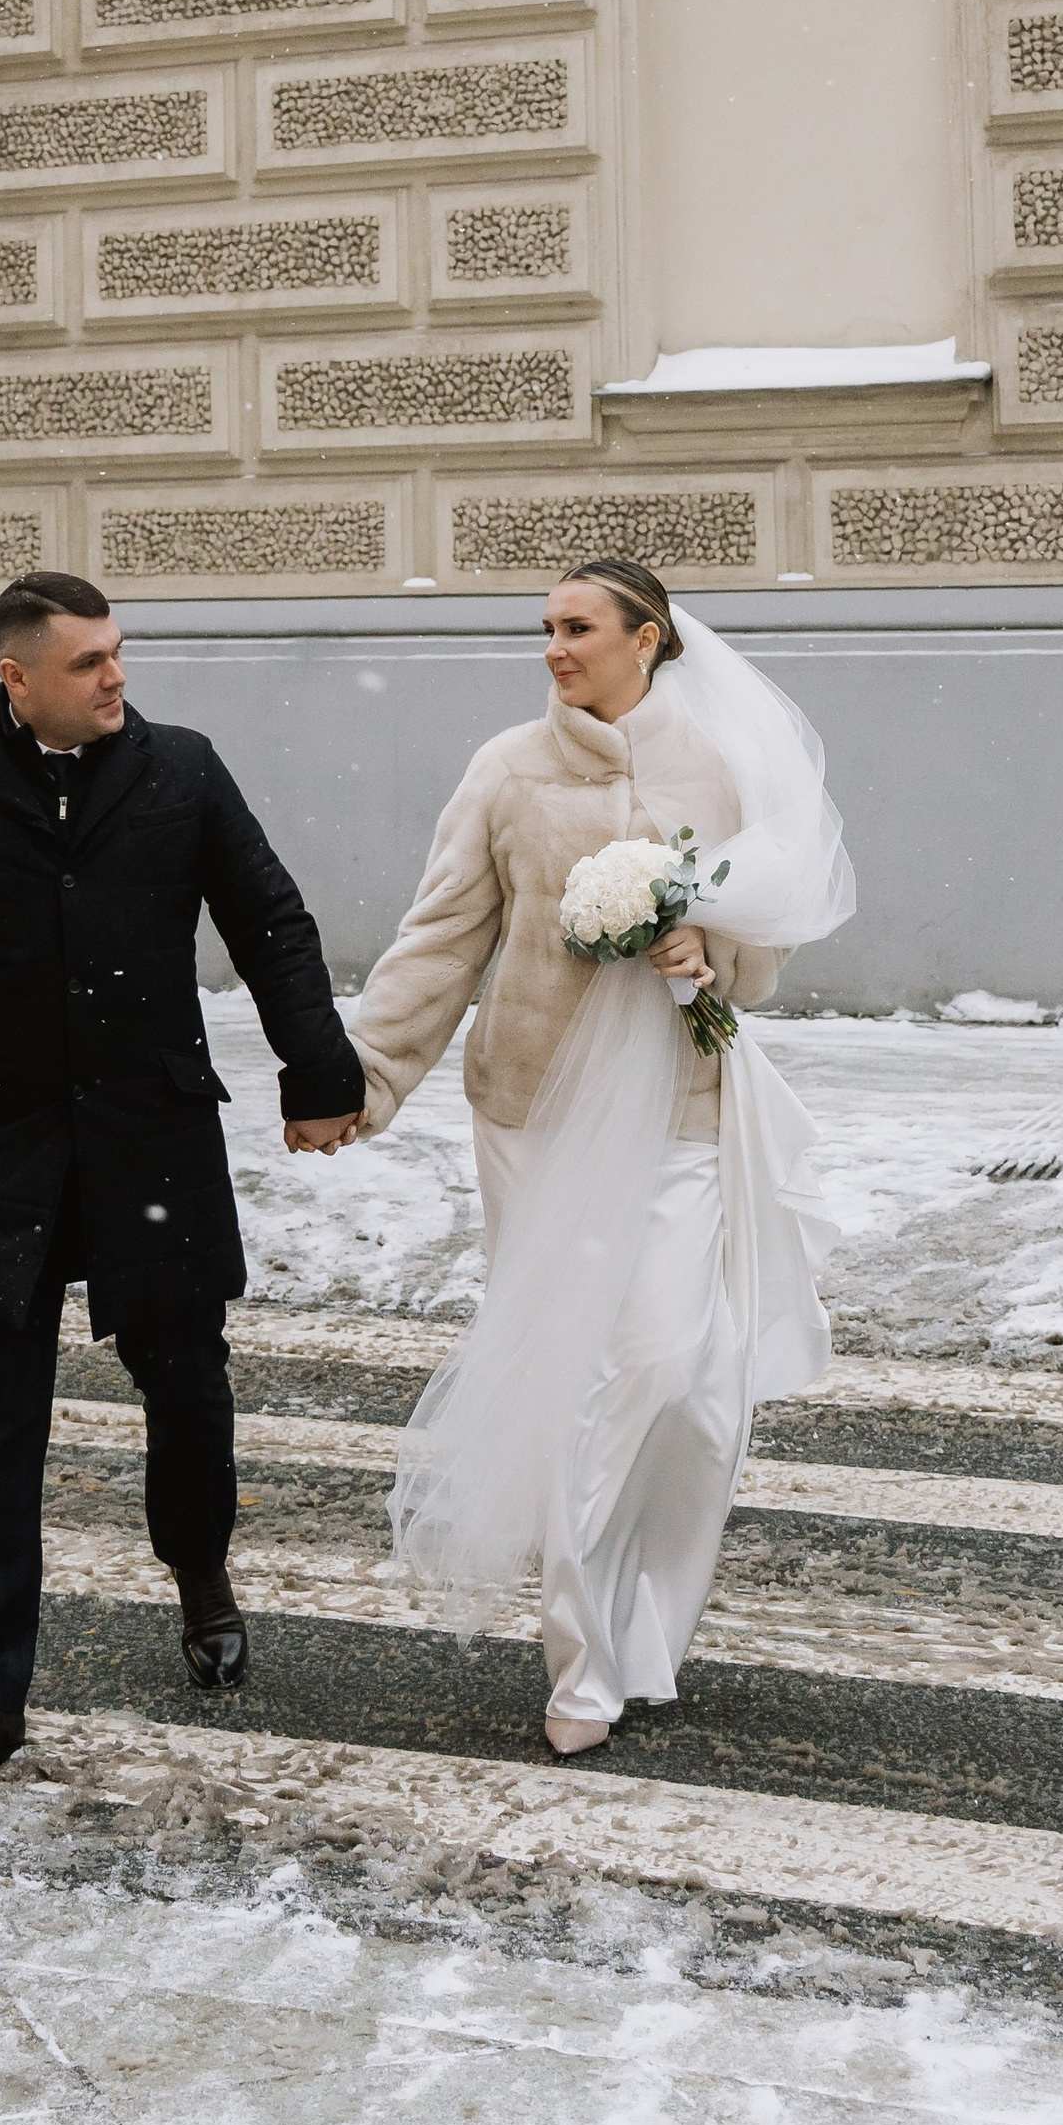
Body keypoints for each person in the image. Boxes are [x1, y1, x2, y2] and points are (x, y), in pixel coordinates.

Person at [0, 569, 367, 1797]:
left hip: (151, 1136)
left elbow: (270, 921)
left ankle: (201, 1572)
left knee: (187, 1385)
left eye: (118, 653)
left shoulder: (182, 769)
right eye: (88, 662)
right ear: (17, 677)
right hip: (2, 1146)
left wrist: (317, 1072)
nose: (117, 676)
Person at [348, 559, 853, 1755]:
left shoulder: (722, 771)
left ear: (650, 639)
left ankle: (646, 1632)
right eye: (546, 629)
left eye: (577, 628)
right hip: (533, 1115)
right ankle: (580, 1663)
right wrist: (364, 1078)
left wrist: (705, 945)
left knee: (676, 1377)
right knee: (580, 1380)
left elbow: (765, 958)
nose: (554, 649)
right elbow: (440, 939)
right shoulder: (506, 772)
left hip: (680, 1106)